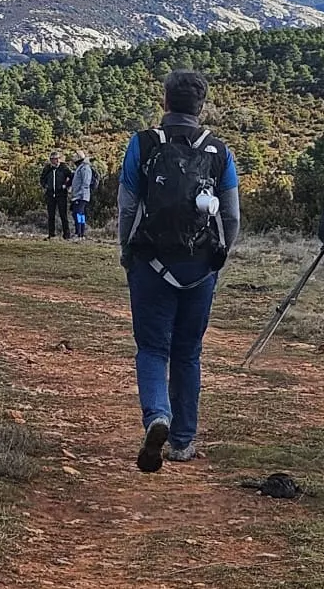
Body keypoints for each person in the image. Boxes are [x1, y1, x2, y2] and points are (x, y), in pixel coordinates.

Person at [119, 70, 241, 473]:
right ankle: (184, 440)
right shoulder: (219, 151)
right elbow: (231, 215)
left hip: (151, 262)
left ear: (165, 101)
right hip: (200, 267)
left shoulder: (143, 144)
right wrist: (218, 254)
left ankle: (158, 415)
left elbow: (127, 207)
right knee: (189, 351)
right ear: (201, 107)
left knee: (153, 347)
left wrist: (128, 251)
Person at [41, 152, 74, 240]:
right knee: (51, 215)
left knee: (63, 215)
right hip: (50, 194)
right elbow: (42, 179)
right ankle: (51, 234)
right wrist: (45, 185)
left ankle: (66, 235)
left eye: (55, 159)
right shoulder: (47, 168)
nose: (54, 161)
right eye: (52, 159)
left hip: (61, 194)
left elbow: (71, 177)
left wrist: (66, 185)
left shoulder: (64, 167)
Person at [70, 150, 96, 238]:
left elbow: (85, 182)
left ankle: (79, 233)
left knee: (77, 213)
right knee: (80, 214)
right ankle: (80, 232)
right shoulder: (81, 167)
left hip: (81, 195)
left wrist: (81, 194)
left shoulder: (85, 168)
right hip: (78, 195)